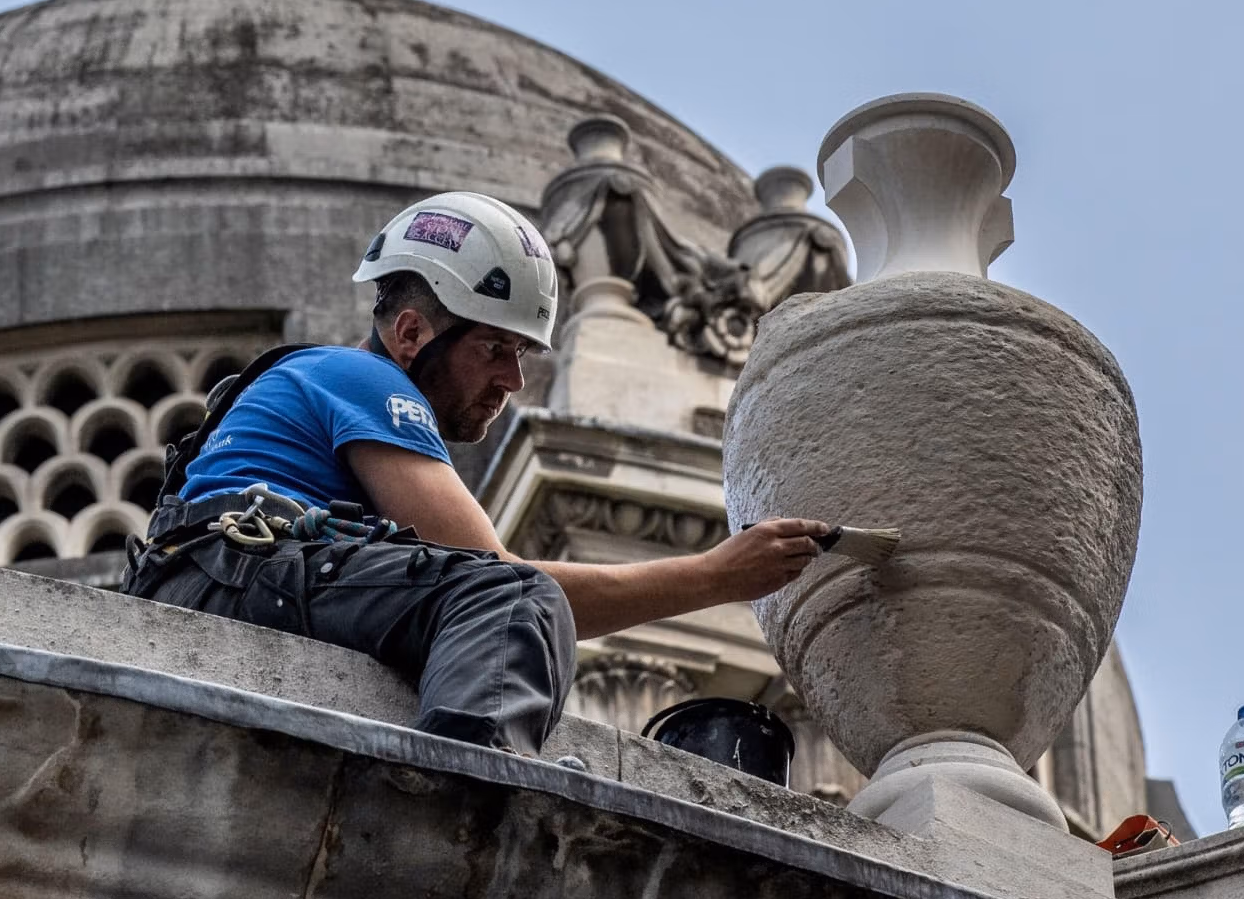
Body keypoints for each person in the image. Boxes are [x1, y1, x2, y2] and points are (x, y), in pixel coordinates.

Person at [124, 190, 828, 752]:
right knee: (516, 599)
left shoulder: (328, 381)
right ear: (410, 333)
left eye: (522, 352)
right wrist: (716, 577)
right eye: (495, 347)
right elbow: (496, 580)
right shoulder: (368, 380)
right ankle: (472, 803)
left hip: (217, 578)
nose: (513, 379)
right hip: (237, 581)